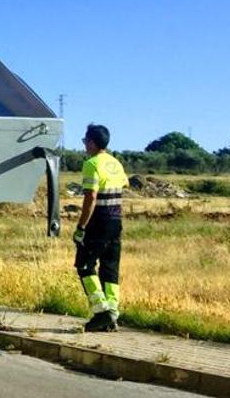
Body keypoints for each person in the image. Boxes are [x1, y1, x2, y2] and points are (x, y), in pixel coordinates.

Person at [73, 123, 128, 332]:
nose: (84, 145)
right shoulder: (116, 163)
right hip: (116, 220)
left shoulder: (91, 164)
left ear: (92, 142)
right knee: (110, 268)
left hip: (99, 221)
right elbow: (125, 183)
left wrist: (81, 226)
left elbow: (91, 196)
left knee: (85, 265)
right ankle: (113, 313)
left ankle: (101, 311)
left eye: (85, 141)